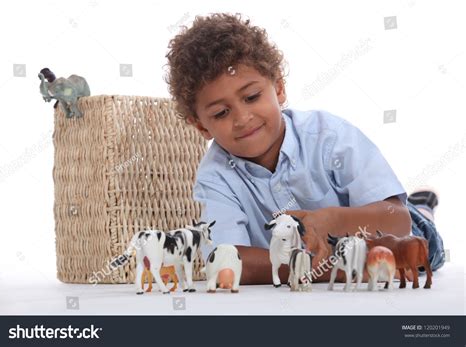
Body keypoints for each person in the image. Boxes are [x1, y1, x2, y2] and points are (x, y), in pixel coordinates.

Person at [165, 13, 445, 284]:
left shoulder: (329, 136)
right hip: (351, 259)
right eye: (221, 113)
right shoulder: (215, 178)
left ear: (279, 89)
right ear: (201, 127)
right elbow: (226, 259)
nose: (242, 118)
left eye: (251, 97)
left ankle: (422, 207)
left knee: (420, 247)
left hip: (385, 225)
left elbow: (397, 220)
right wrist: (314, 268)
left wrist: (330, 221)